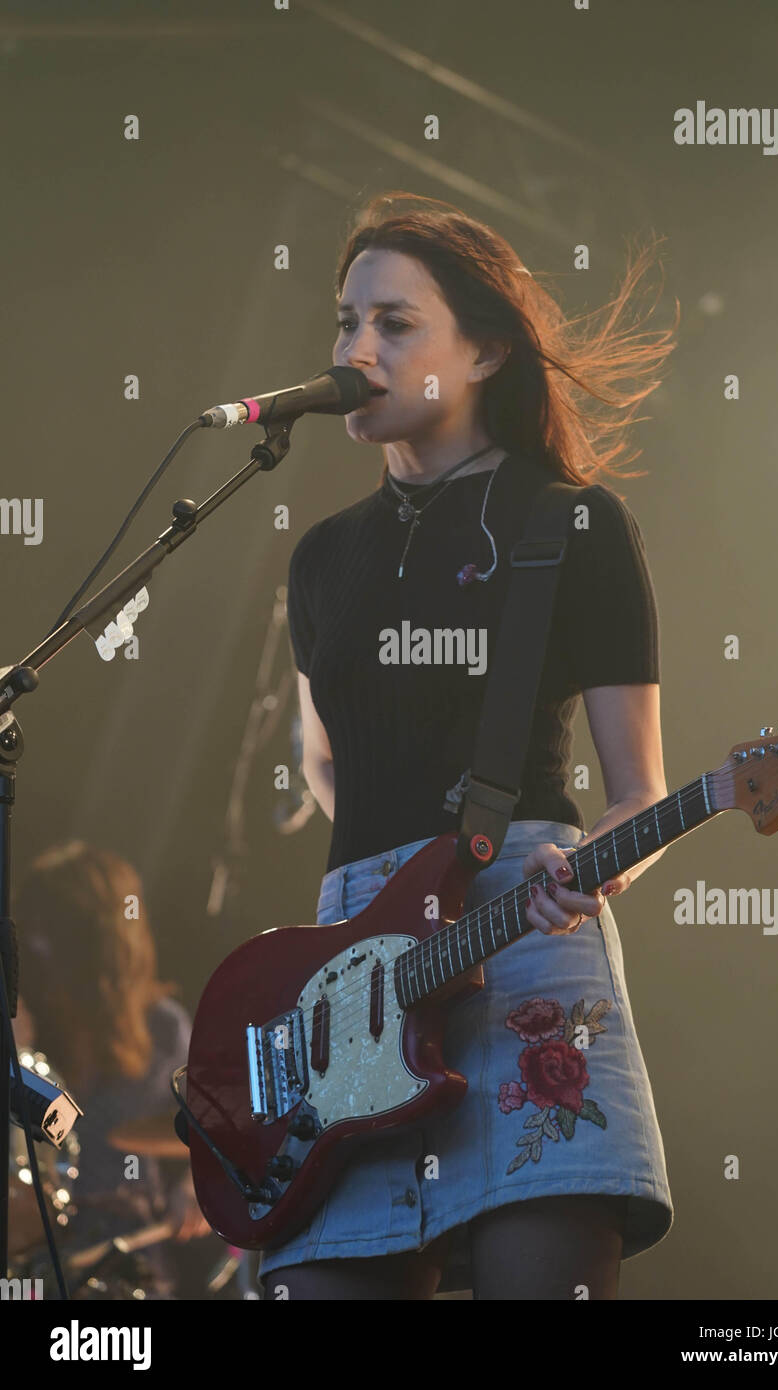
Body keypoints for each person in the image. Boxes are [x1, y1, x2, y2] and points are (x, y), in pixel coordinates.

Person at [259, 191, 680, 1300]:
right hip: (357, 977)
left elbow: (638, 789)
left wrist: (581, 877)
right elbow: (324, 767)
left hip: (525, 955)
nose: (355, 349)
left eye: (393, 324)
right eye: (344, 322)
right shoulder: (319, 558)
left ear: (485, 348)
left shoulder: (572, 524)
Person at [13, 841, 210, 1298]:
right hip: (33, 1262)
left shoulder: (163, 1027)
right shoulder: (24, 1024)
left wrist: (197, 1184)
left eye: (50, 941)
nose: (37, 955)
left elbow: (216, 1137)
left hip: (130, 1262)